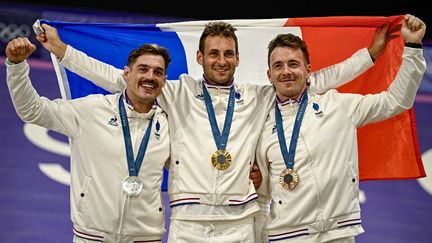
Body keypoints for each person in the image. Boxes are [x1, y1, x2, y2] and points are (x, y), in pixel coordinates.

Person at [36, 20, 387, 242]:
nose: (221, 60)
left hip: (240, 224)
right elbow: (117, 77)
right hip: (188, 222)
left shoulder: (258, 95)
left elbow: (313, 80)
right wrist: (64, 51)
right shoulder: (175, 92)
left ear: (237, 58)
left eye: (229, 54)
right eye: (214, 53)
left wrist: (368, 56)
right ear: (201, 58)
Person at [255, 14, 426, 242]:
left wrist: (412, 47)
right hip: (286, 235)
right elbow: (263, 191)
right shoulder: (260, 123)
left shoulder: (338, 106)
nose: (286, 71)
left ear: (308, 70)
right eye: (278, 66)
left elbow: (395, 101)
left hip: (338, 233)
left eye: (293, 64)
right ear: (269, 75)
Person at [5, 39, 171, 243]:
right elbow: (33, 110)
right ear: (126, 74)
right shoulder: (93, 111)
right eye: (143, 69)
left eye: (157, 72)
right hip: (91, 236)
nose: (150, 77)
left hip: (146, 238)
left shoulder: (169, 125)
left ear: (164, 80)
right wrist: (16, 66)